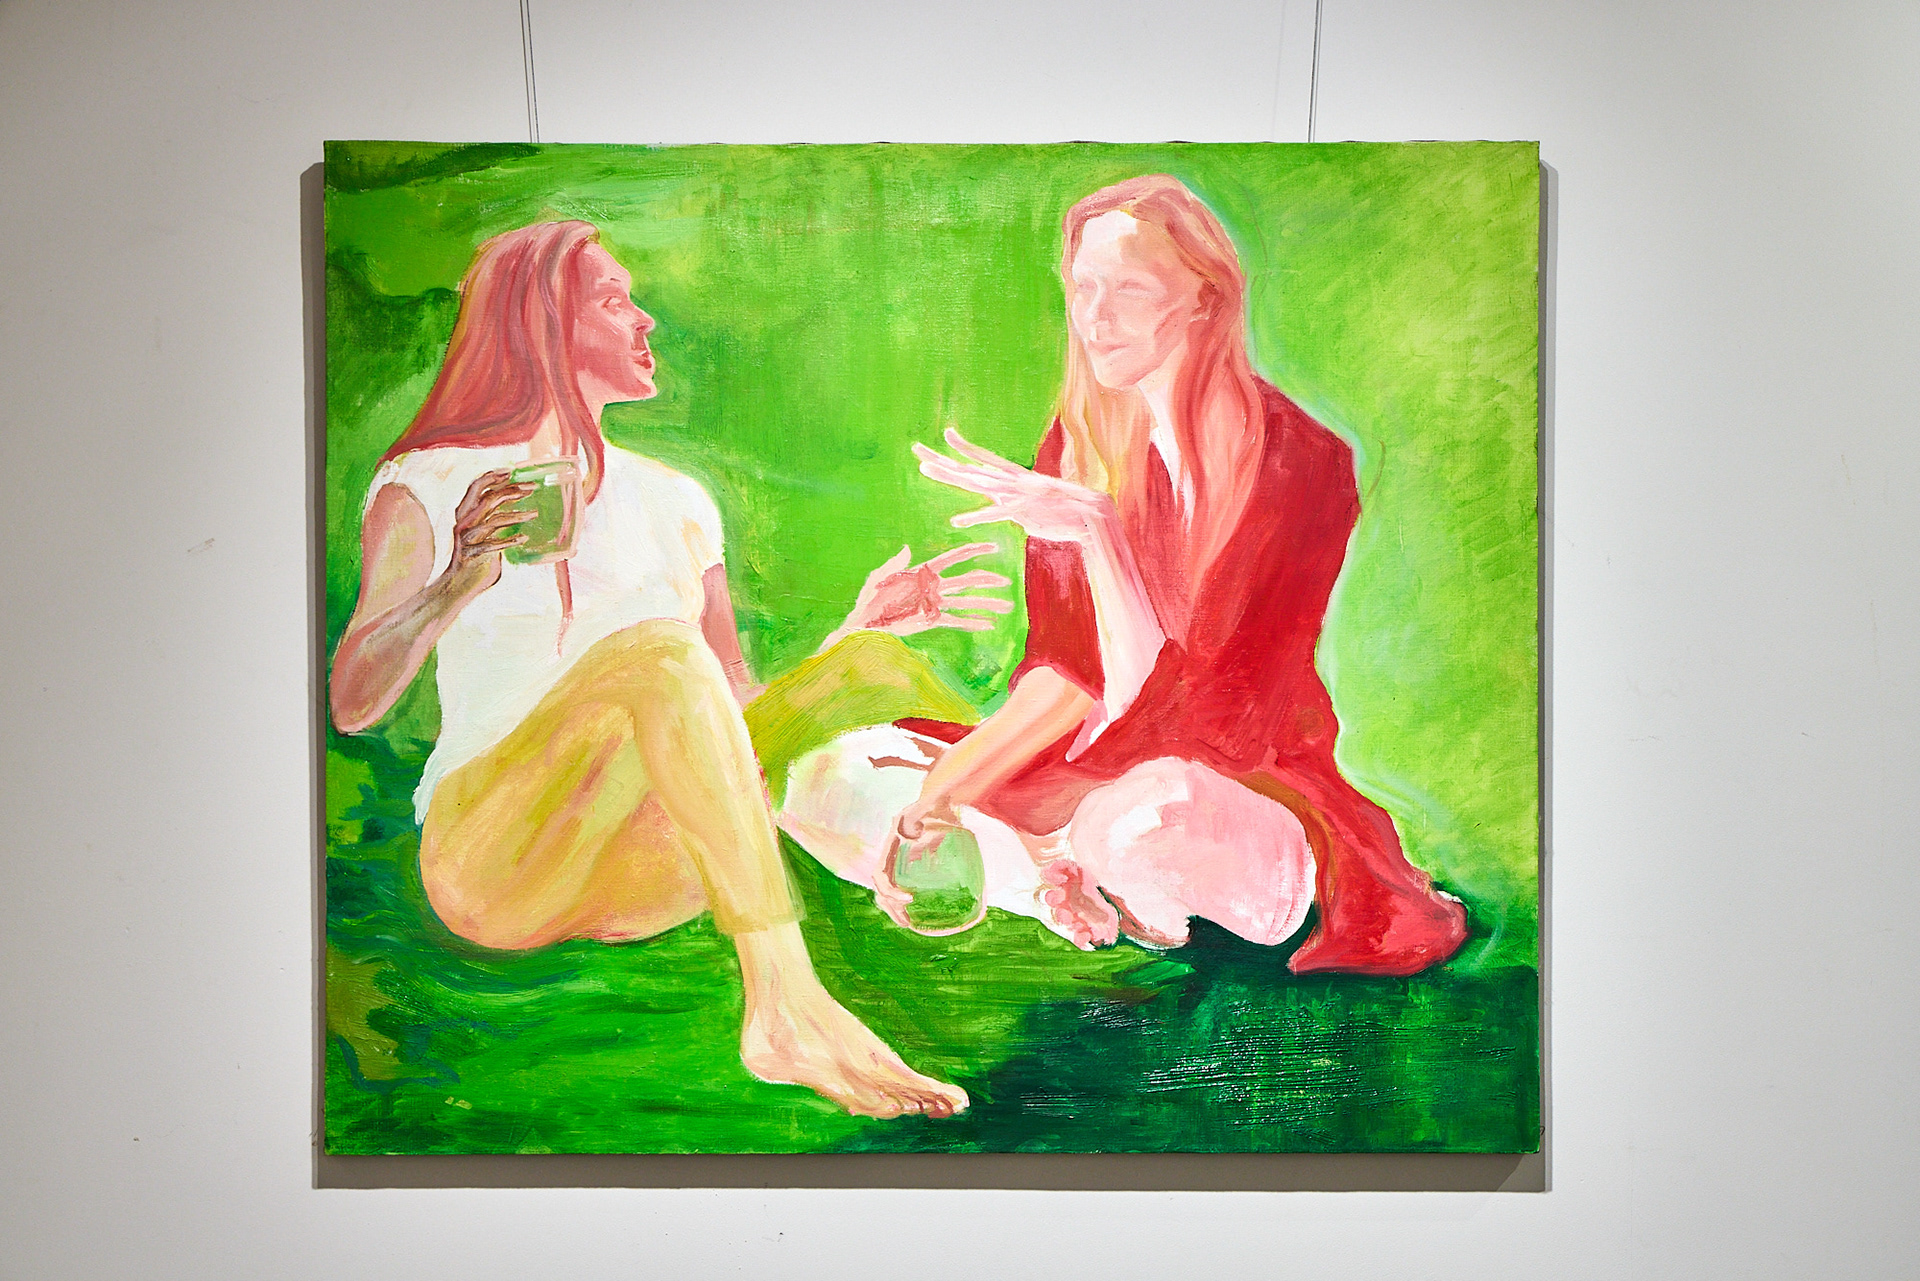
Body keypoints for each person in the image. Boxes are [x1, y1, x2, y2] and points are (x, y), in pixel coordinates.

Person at [328, 220, 1000, 1117]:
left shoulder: (681, 500)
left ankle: (1032, 847)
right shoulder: (432, 481)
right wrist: (456, 578)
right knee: (660, 652)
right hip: (499, 859)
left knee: (865, 664)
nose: (645, 321)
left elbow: (729, 712)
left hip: (652, 866)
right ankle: (787, 1008)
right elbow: (353, 703)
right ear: (541, 325)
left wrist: (854, 631)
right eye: (615, 300)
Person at [779, 176, 1468, 976]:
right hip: (1089, 772)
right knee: (833, 775)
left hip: (1238, 789)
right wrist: (937, 798)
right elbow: (1066, 679)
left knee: (1142, 820)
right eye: (1084, 288)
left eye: (1130, 289)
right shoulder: (1077, 446)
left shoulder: (1304, 465)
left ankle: (1075, 872)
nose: (1096, 318)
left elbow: (1208, 719)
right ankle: (1061, 887)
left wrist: (1098, 535)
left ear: (1204, 300)